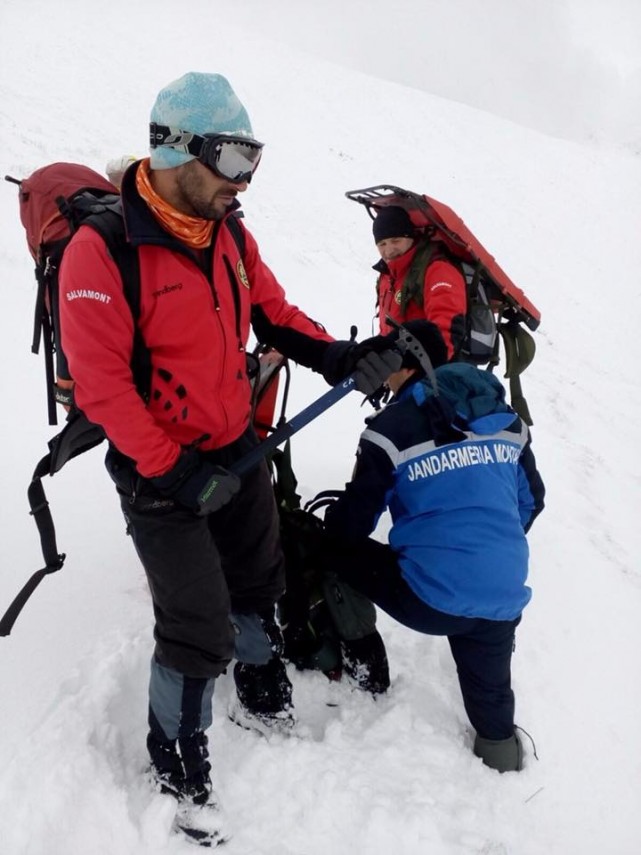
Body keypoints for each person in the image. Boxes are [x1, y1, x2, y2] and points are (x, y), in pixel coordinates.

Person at [58, 71, 400, 842]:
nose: (243, 182)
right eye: (232, 161)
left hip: (235, 447)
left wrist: (342, 359)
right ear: (176, 150)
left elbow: (273, 314)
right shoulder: (103, 251)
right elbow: (104, 388)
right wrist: (174, 471)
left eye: (254, 162)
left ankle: (257, 674)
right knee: (194, 619)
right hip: (161, 473)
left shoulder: (230, 236)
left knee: (260, 575)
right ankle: (175, 757)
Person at [320, 319, 545, 773]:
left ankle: (352, 651)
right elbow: (532, 503)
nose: (382, 379)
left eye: (386, 368)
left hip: (430, 601)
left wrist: (329, 525)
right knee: (490, 685)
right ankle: (501, 756)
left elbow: (354, 525)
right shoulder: (506, 422)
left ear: (402, 366)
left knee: (336, 550)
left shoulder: (390, 430)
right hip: (504, 597)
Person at [372, 205, 467, 358]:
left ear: (410, 237)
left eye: (396, 241)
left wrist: (420, 369)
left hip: (431, 372)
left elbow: (445, 330)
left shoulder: (437, 270)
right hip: (397, 371)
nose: (389, 251)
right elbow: (387, 331)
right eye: (382, 244)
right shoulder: (386, 276)